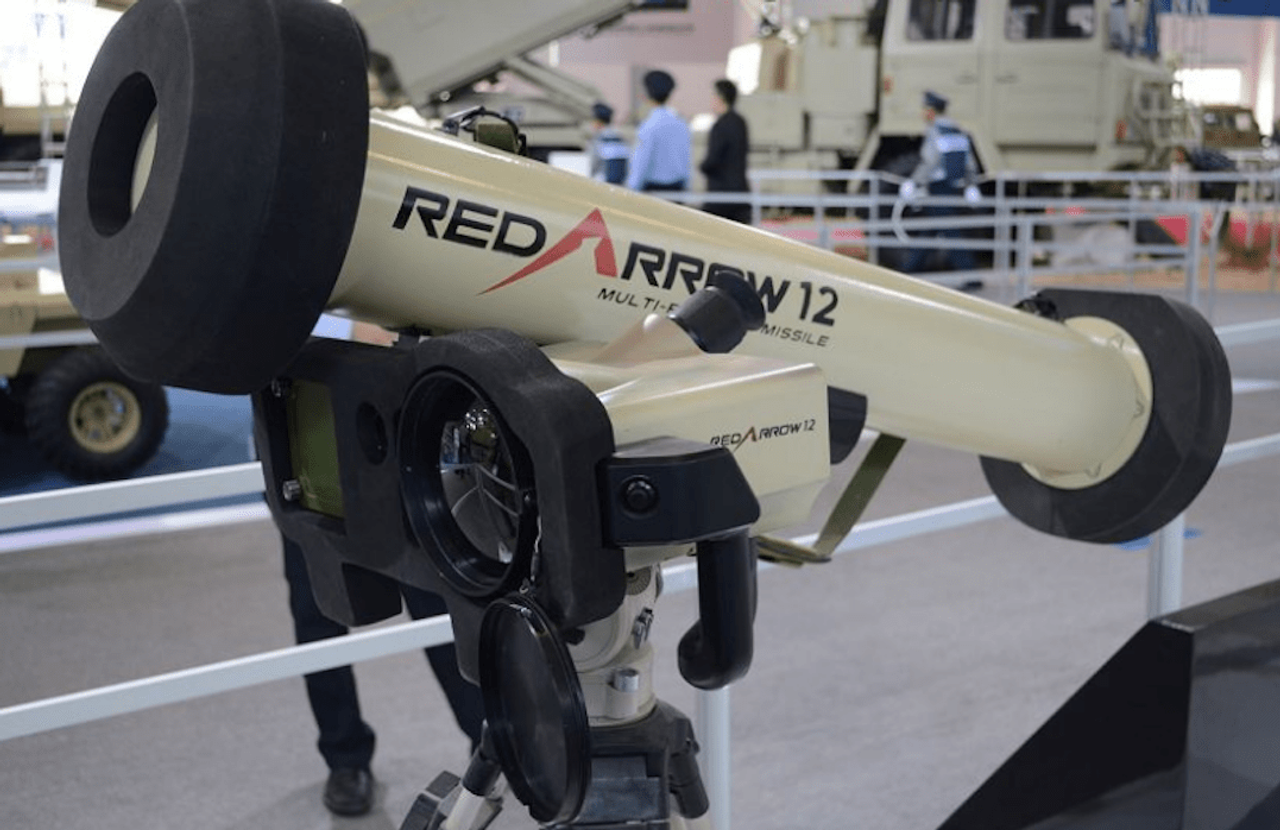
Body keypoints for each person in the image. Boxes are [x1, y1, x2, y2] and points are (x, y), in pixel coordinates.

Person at [282, 535, 485, 817]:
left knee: (436, 600)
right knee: (317, 614)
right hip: (312, 509)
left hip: (397, 508)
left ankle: (487, 737)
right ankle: (345, 757)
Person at [899, 90, 982, 278]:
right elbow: (969, 163)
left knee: (950, 233)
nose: (922, 113)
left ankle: (971, 276)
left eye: (924, 109)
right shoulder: (957, 131)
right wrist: (971, 185)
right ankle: (908, 270)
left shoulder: (935, 131)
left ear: (931, 111)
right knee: (930, 231)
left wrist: (913, 182)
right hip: (955, 187)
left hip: (938, 188)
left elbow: (930, 161)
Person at [625, 69, 691, 193]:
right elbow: (686, 159)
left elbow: (641, 162)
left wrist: (631, 188)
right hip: (678, 189)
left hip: (653, 189)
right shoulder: (681, 123)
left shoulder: (649, 125)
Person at [699, 79, 751, 224]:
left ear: (720, 97)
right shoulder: (740, 122)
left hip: (720, 195)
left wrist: (702, 167)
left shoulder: (720, 125)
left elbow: (712, 159)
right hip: (740, 191)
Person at [588, 102, 629, 185]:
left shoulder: (599, 139)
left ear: (598, 122)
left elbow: (593, 166)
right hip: (621, 184)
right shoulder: (620, 138)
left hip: (603, 184)